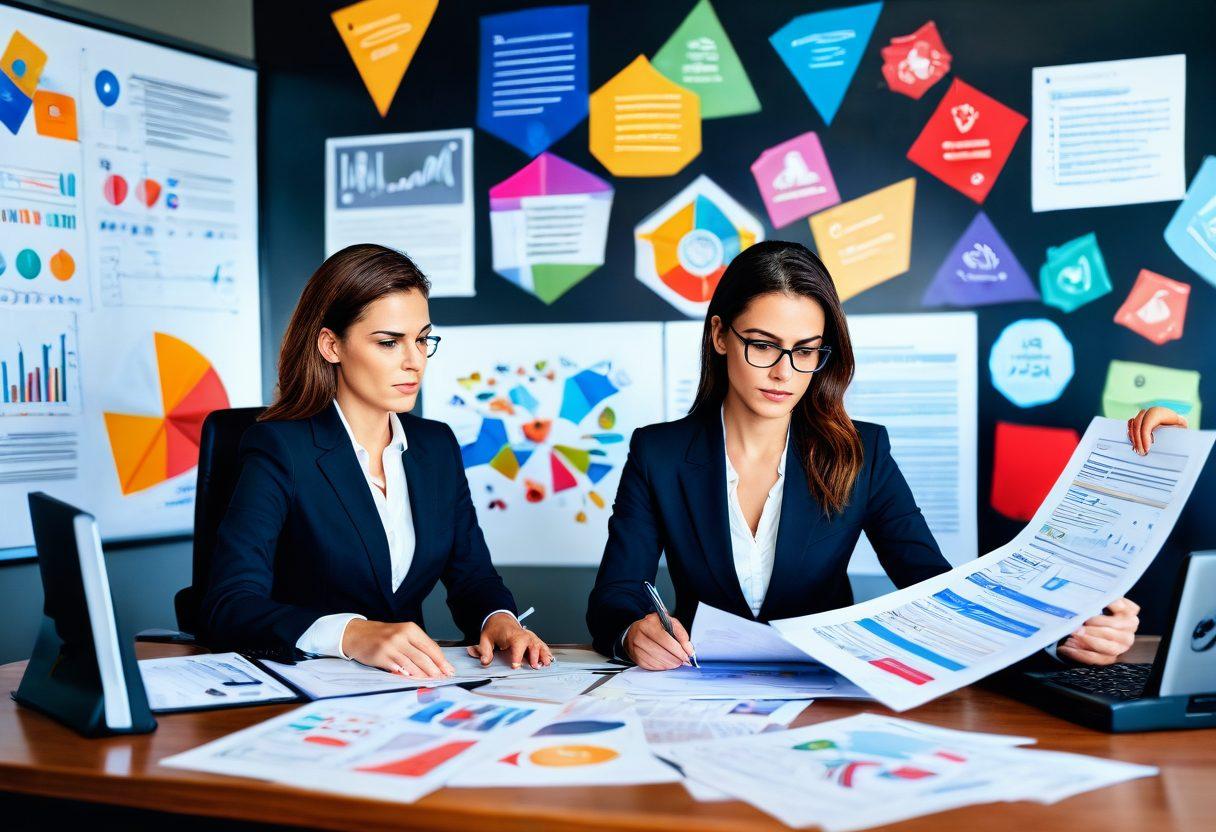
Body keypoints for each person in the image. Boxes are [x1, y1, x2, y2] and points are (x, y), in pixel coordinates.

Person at [587, 240, 1166, 671]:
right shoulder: (657, 453)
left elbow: (934, 588)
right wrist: (629, 634)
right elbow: (615, 595)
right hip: (695, 694)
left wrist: (1059, 635)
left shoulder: (863, 452)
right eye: (762, 346)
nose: (785, 372)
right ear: (720, 336)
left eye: (806, 351)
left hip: (826, 699)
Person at [202, 244, 552, 677]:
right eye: (389, 342)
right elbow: (229, 605)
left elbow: (472, 576)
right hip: (307, 691)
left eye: (423, 339)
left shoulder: (436, 446)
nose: (415, 361)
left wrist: (498, 619)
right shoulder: (280, 448)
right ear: (331, 345)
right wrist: (350, 634)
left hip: (411, 690)